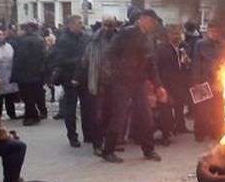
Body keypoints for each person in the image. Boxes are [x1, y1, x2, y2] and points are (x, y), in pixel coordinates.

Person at [101, 9, 167, 163]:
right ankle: (108, 151)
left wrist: (158, 86)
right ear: (143, 19)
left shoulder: (149, 38)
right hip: (122, 82)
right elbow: (109, 52)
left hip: (138, 82)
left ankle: (148, 150)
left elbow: (151, 64)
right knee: (119, 116)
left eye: (155, 22)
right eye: (152, 21)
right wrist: (121, 70)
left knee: (146, 116)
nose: (154, 25)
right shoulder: (126, 33)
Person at [75, 15, 118, 156]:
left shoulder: (118, 40)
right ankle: (97, 145)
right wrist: (79, 78)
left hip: (114, 83)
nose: (107, 28)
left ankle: (109, 143)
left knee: (111, 115)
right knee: (97, 116)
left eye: (110, 25)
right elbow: (84, 61)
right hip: (98, 83)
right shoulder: (93, 41)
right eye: (105, 25)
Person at [52, 15, 91, 148]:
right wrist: (79, 61)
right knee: (71, 108)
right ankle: (72, 136)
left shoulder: (84, 37)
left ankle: (88, 134)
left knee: (87, 107)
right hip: (69, 78)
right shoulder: (63, 40)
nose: (82, 25)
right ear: (71, 25)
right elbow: (59, 60)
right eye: (79, 23)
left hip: (83, 77)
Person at [192, 21, 225, 143]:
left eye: (217, 32)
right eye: (212, 31)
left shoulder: (224, 44)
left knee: (217, 109)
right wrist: (196, 81)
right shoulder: (200, 44)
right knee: (201, 109)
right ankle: (200, 133)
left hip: (219, 81)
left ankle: (216, 132)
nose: (215, 34)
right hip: (203, 80)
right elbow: (196, 63)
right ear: (208, 31)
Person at [156, 24, 191, 135]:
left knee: (180, 104)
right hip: (167, 81)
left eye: (177, 34)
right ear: (168, 34)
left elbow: (189, 64)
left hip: (180, 80)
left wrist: (187, 63)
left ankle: (180, 125)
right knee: (167, 106)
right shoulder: (161, 48)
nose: (176, 36)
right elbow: (157, 65)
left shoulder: (184, 47)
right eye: (173, 34)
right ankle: (168, 128)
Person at [11, 21, 47, 126]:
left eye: (19, 29)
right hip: (36, 73)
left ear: (24, 30)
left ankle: (32, 116)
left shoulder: (23, 41)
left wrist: (16, 71)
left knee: (27, 96)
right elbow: (44, 56)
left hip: (25, 74)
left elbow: (21, 58)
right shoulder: (39, 39)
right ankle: (32, 113)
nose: (17, 32)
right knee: (35, 94)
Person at [0, 27, 20, 119]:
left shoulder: (8, 46)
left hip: (9, 74)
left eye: (2, 34)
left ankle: (12, 114)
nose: (0, 37)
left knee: (9, 96)